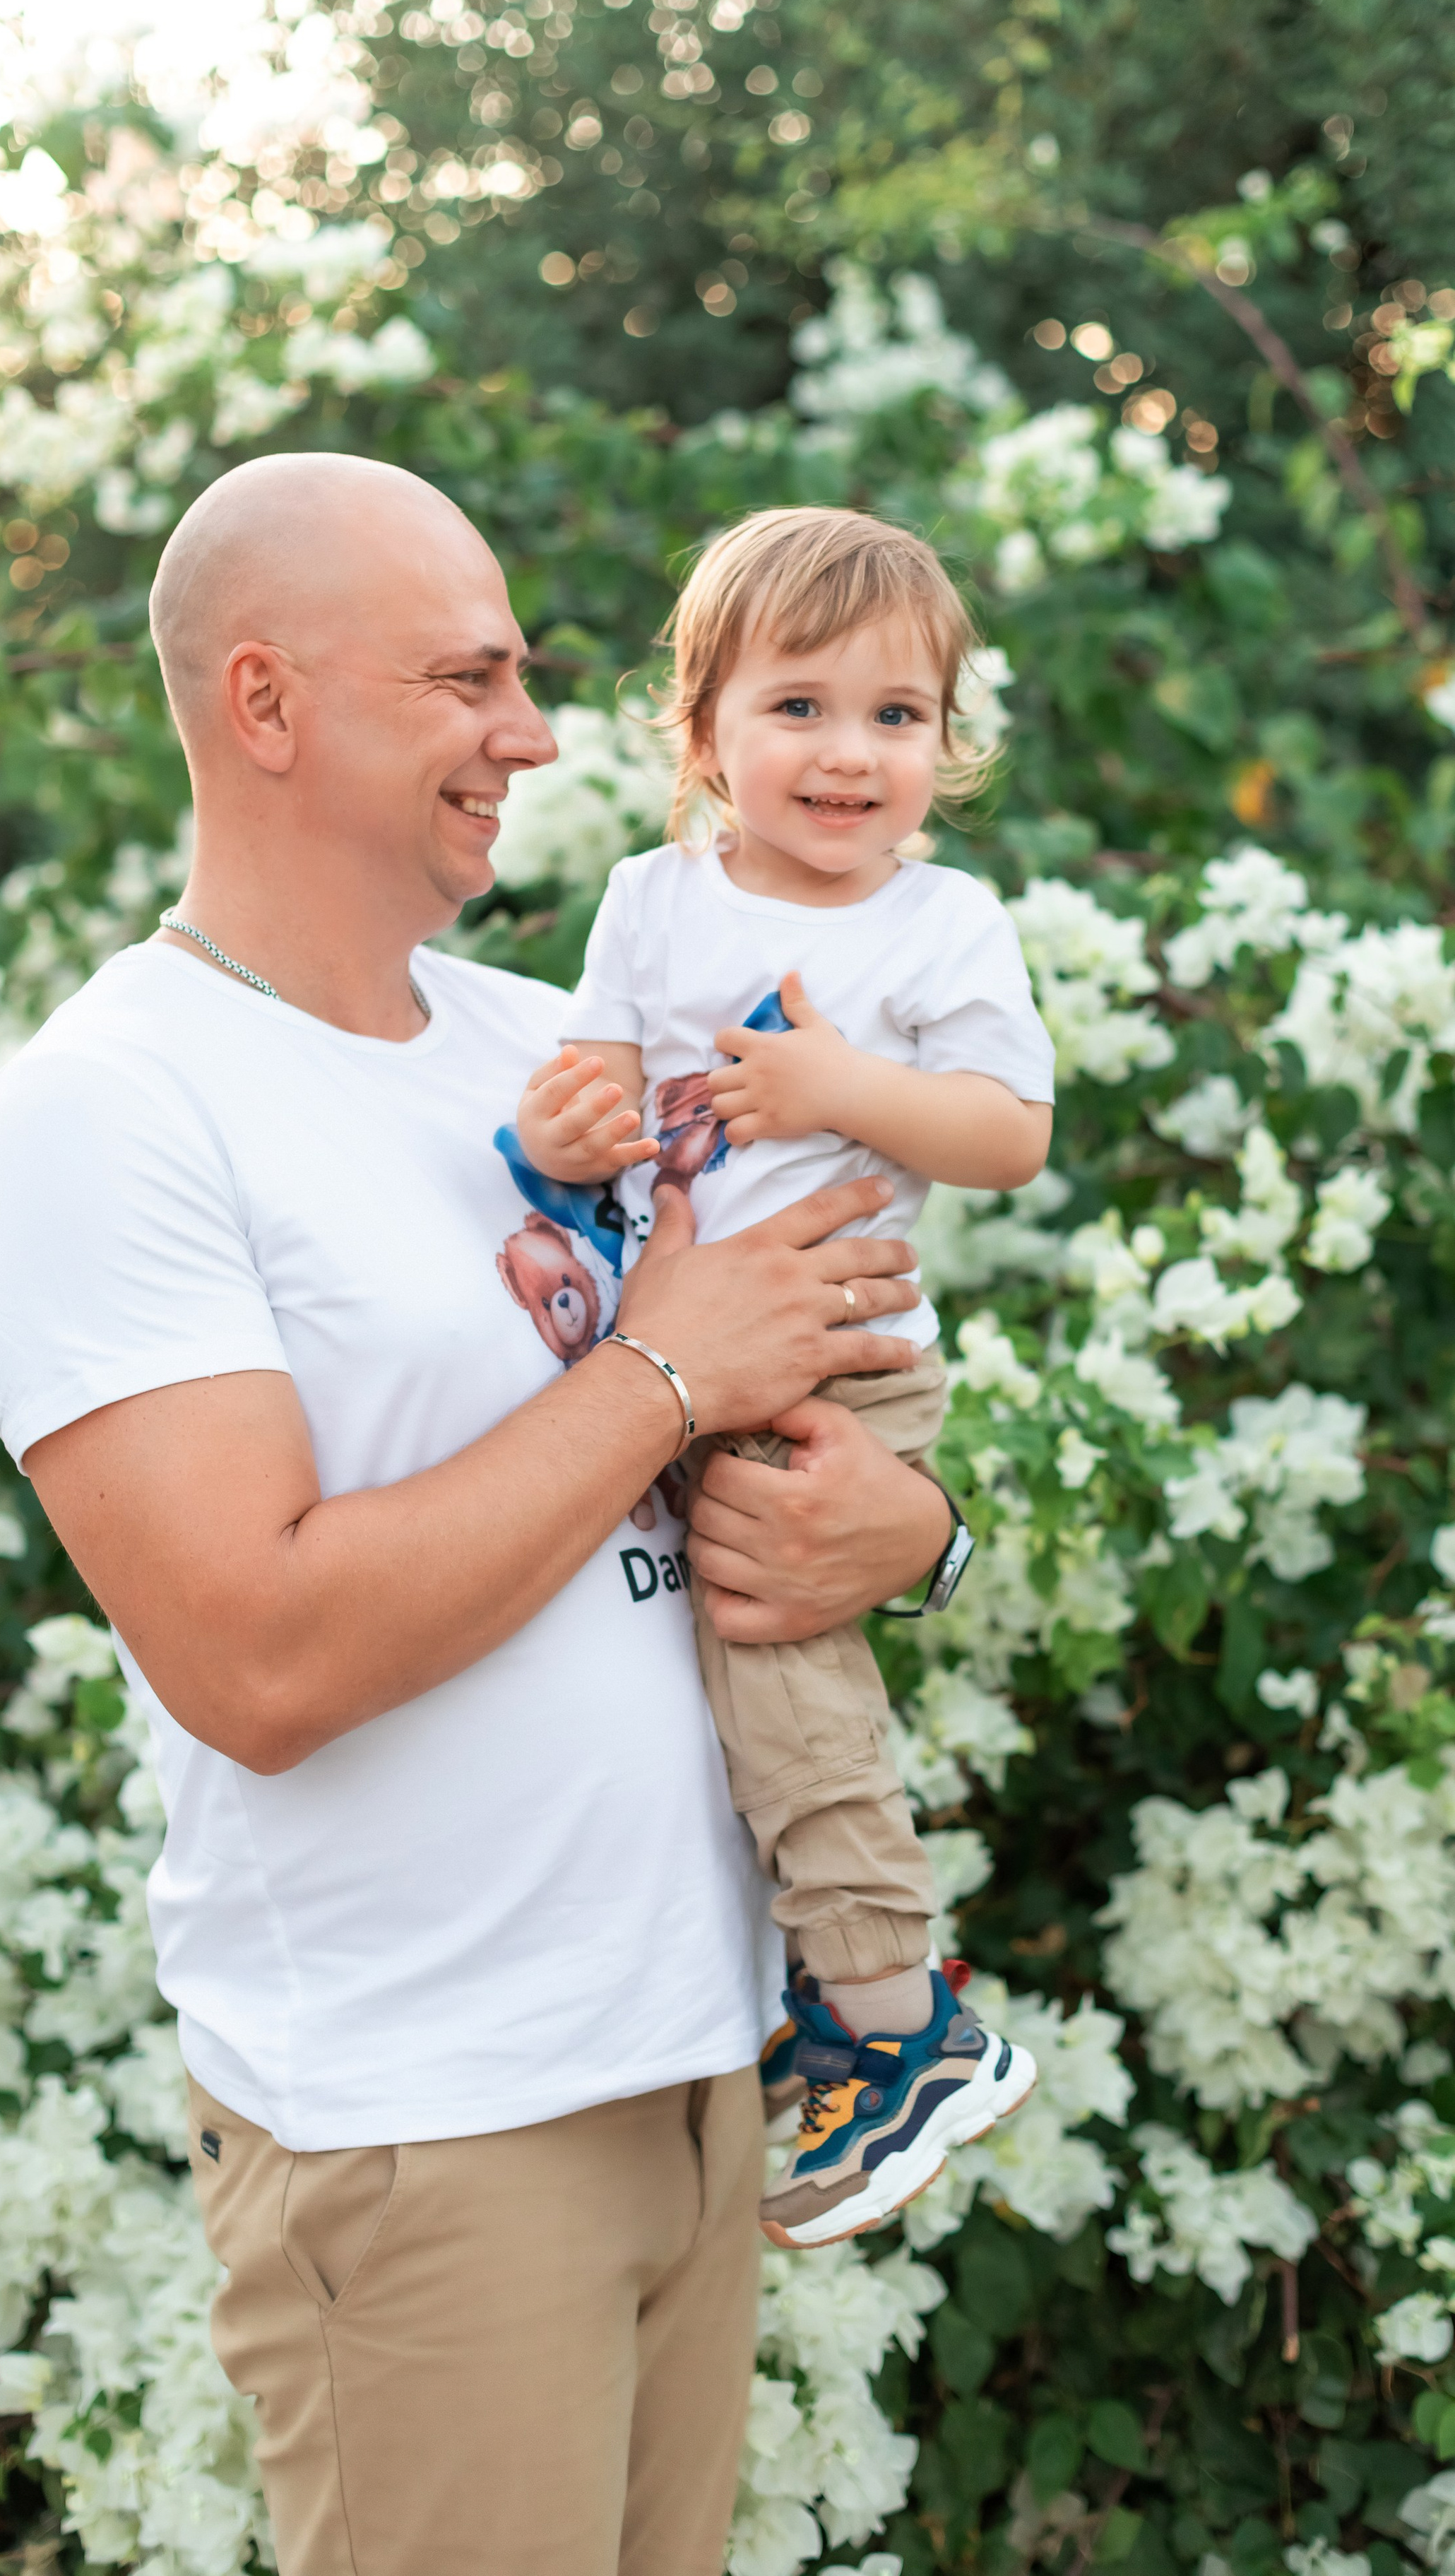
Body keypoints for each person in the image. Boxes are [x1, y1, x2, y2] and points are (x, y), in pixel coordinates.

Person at [0, 453, 957, 2576]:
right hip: (432, 2132)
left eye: (525, 677)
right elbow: (259, 1656)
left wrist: (916, 1528)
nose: (531, 735)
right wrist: (663, 1366)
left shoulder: (549, 1047)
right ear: (267, 702)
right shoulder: (113, 1109)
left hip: (704, 2073)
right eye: (466, 679)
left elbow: (813, 1391)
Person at [511, 507, 1055, 2248]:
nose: (849, 754)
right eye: (800, 708)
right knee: (713, 1676)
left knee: (774, 1666)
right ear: (703, 733)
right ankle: (806, 1987)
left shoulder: (938, 928)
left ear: (945, 746)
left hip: (835, 1362)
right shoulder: (647, 903)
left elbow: (1007, 1133)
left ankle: (895, 2017)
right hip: (674, 1353)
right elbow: (589, 1086)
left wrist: (835, 1091)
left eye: (897, 717)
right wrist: (558, 1122)